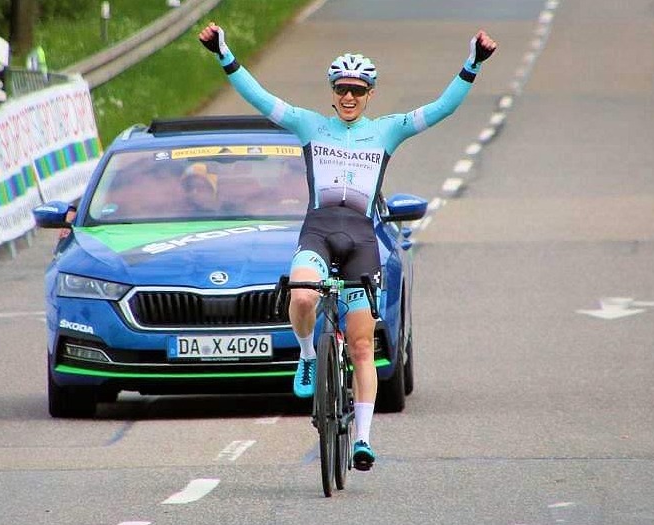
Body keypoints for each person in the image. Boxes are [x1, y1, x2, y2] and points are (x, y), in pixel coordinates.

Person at [199, 22, 496, 471]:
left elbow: (439, 110)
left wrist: (471, 65)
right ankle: (306, 356)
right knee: (300, 293)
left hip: (361, 238)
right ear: (332, 91)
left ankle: (362, 437)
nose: (349, 97)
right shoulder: (309, 125)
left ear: (370, 93)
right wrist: (225, 54)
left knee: (361, 346)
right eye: (342, 88)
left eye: (358, 89)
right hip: (318, 230)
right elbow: (261, 98)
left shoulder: (387, 131)